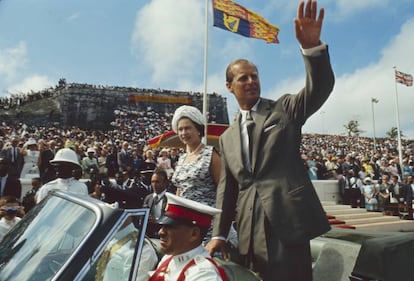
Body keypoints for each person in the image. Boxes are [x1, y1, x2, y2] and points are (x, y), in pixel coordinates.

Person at [205, 1, 334, 280]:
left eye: (255, 76)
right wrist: (218, 233)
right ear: (229, 86)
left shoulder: (284, 109)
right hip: (248, 231)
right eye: (243, 78)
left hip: (286, 225)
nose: (251, 81)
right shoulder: (226, 138)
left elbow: (318, 89)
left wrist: (313, 50)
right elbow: (227, 191)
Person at [148, 193, 226, 281]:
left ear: (194, 234)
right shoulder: (169, 259)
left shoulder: (204, 274)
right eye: (162, 226)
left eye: (170, 227)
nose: (160, 232)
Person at [143, 168, 169, 238]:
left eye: (157, 182)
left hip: (164, 236)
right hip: (148, 236)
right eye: (152, 182)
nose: (154, 185)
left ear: (165, 182)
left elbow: (172, 222)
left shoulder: (170, 199)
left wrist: (158, 221)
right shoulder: (148, 198)